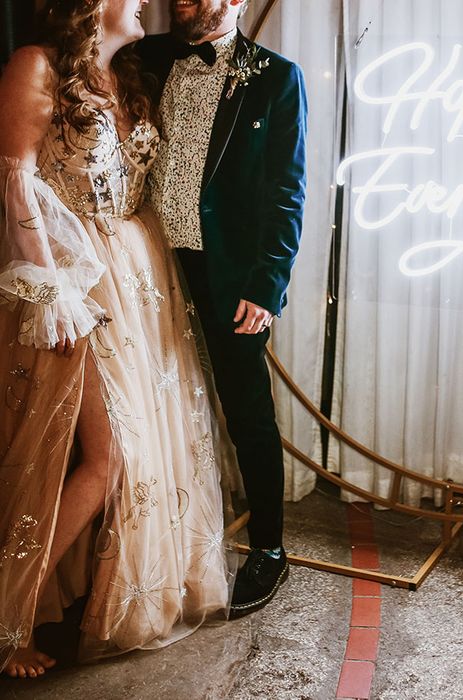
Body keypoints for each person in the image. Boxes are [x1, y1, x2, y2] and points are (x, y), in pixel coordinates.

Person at [0, 0, 236, 679]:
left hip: (144, 276)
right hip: (77, 279)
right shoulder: (35, 65)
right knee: (113, 456)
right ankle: (11, 616)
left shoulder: (128, 73)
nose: (145, 3)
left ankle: (46, 594)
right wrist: (52, 294)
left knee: (143, 449)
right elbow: (15, 175)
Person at [137, 0, 307, 616]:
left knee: (247, 412)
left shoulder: (276, 77)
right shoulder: (146, 58)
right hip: (148, 265)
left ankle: (270, 550)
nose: (182, 1)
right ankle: (161, 544)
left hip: (229, 273)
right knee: (151, 403)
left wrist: (268, 286)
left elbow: (287, 191)